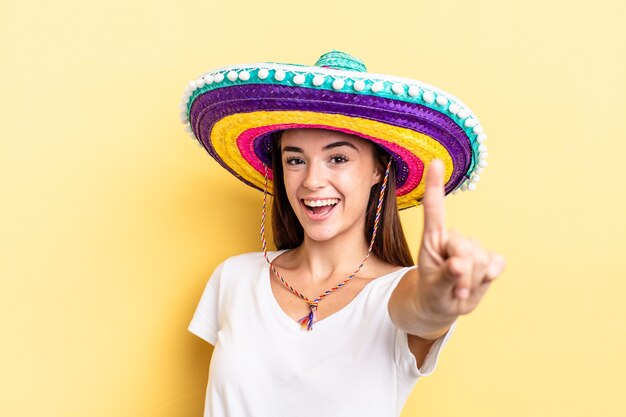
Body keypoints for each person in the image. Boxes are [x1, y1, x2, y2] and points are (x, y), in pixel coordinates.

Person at [180, 50, 506, 417]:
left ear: (378, 171)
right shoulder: (235, 278)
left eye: (338, 158)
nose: (313, 181)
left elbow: (419, 312)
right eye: (295, 159)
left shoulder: (397, 291)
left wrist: (439, 301)